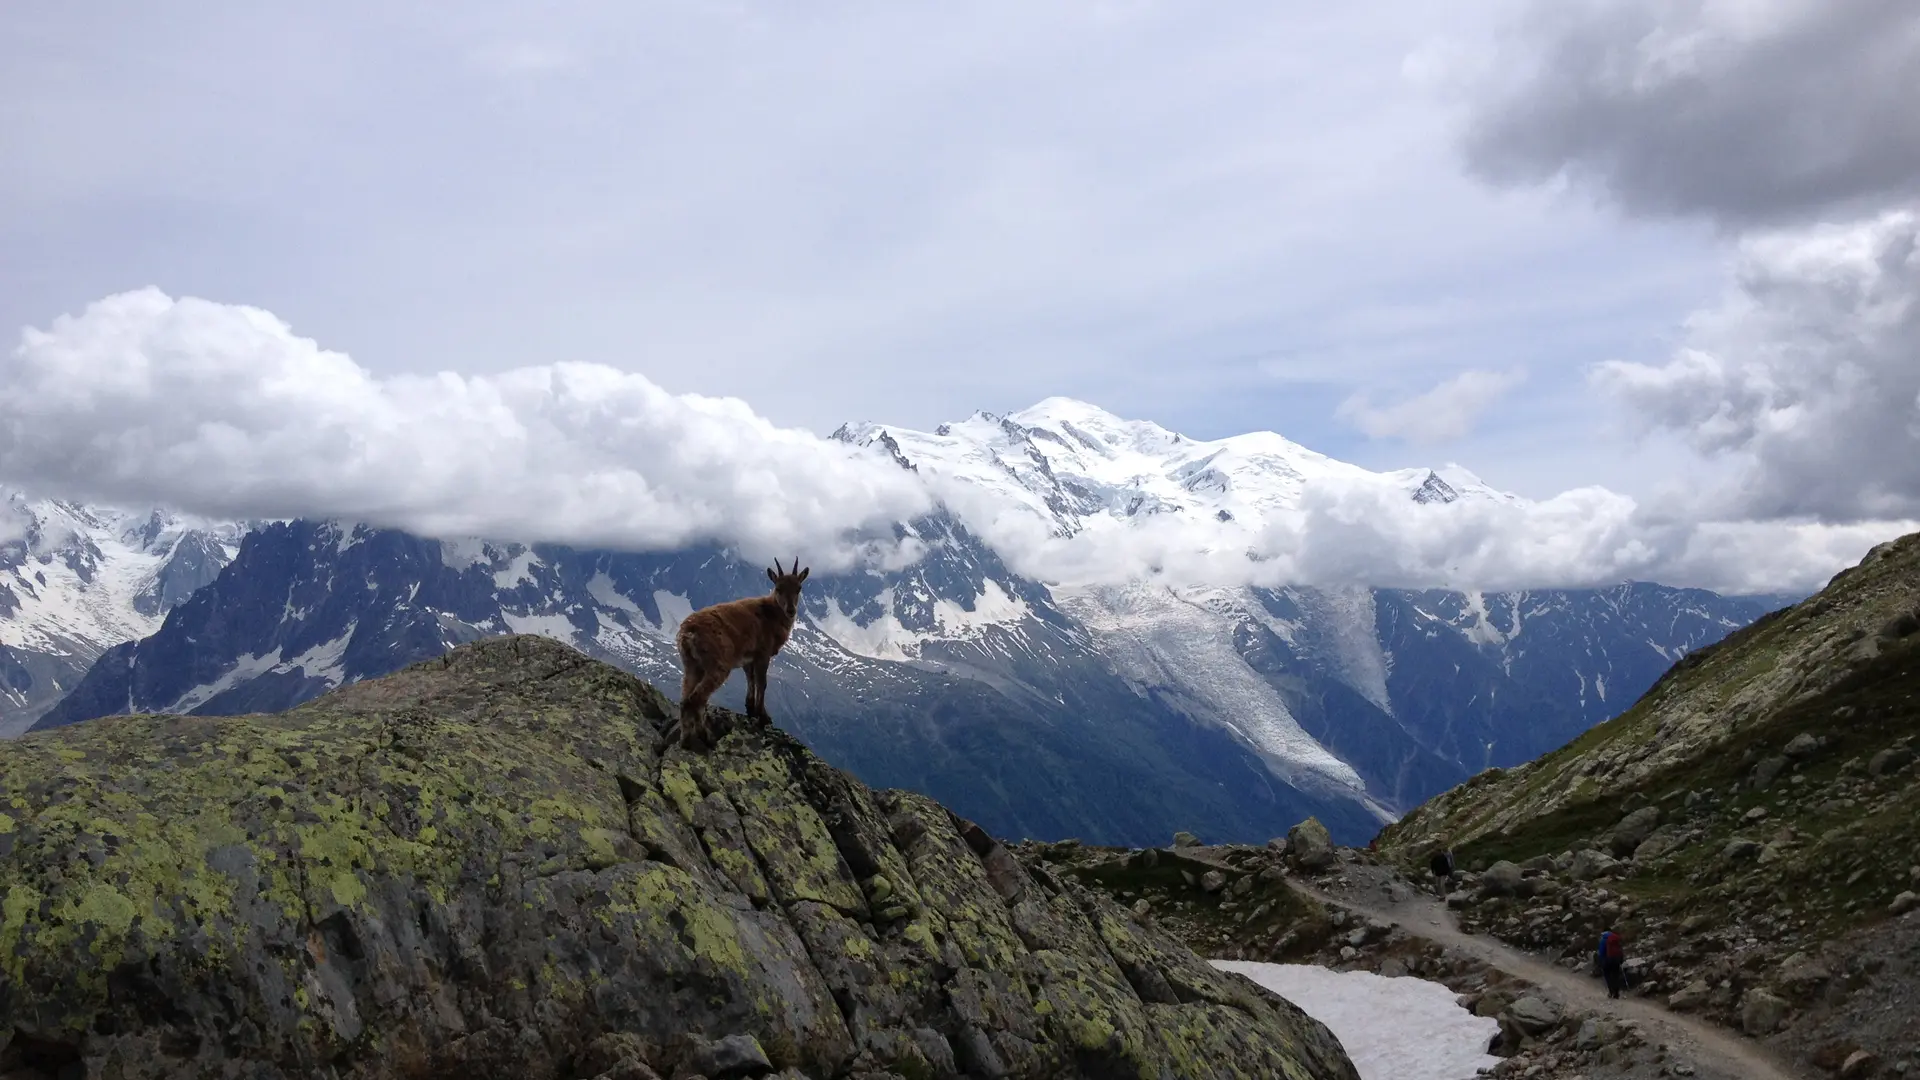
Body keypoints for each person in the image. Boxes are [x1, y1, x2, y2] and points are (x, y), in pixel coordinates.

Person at [1597, 930, 1627, 999]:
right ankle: (1616, 993)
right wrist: (1621, 960)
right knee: (1615, 976)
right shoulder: (1616, 939)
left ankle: (1611, 992)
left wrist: (1600, 961)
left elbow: (1601, 952)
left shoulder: (1603, 940)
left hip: (1607, 960)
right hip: (1616, 960)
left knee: (1608, 976)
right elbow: (1620, 950)